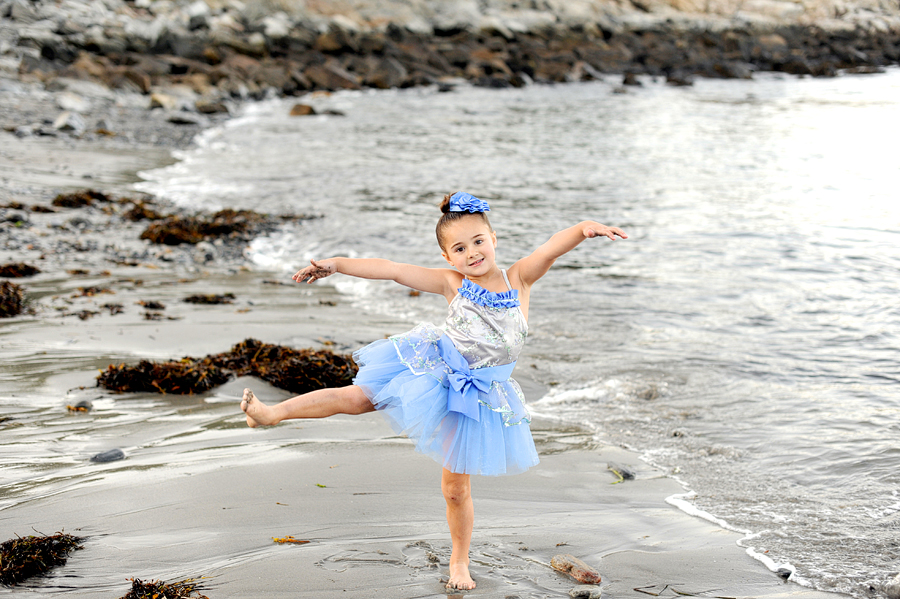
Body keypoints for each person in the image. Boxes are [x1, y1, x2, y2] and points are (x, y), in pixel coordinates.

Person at [240, 191, 627, 590]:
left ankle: (460, 561)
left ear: (494, 239)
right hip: (436, 373)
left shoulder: (519, 280)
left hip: (477, 397)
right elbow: (392, 269)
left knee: (456, 490)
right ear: (448, 257)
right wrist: (337, 265)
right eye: (460, 248)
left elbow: (549, 249)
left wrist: (583, 230)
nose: (472, 253)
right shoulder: (451, 283)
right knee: (355, 398)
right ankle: (272, 414)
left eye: (478, 241)